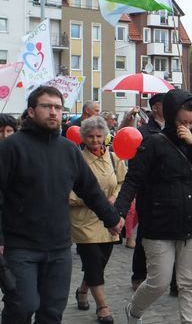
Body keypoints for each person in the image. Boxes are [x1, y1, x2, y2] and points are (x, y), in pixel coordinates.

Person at [0, 85, 124, 323]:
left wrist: (112, 218)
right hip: (20, 247)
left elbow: (90, 190)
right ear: (31, 111)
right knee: (22, 305)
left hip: (58, 248)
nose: (54, 112)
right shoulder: (11, 147)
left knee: (52, 312)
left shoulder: (68, 150)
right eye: (47, 106)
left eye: (58, 107)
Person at [116, 89, 192, 324]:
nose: (187, 126)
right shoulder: (152, 143)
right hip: (158, 222)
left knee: (189, 282)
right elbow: (133, 179)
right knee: (158, 282)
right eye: (182, 121)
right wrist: (119, 212)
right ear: (171, 116)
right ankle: (134, 311)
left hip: (191, 221)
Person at [70, 116, 127, 324]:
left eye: (99, 136)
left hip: (109, 220)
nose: (95, 140)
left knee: (99, 263)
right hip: (84, 221)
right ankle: (103, 307)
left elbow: (122, 182)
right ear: (84, 138)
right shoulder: (76, 159)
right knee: (93, 262)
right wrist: (93, 200)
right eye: (90, 137)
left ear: (105, 137)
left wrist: (114, 197)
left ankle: (83, 290)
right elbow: (68, 192)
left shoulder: (114, 158)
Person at [124, 92, 167, 291]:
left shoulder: (173, 129)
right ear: (156, 107)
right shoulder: (144, 131)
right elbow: (134, 162)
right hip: (149, 190)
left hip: (168, 190)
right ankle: (139, 274)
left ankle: (166, 274)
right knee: (145, 234)